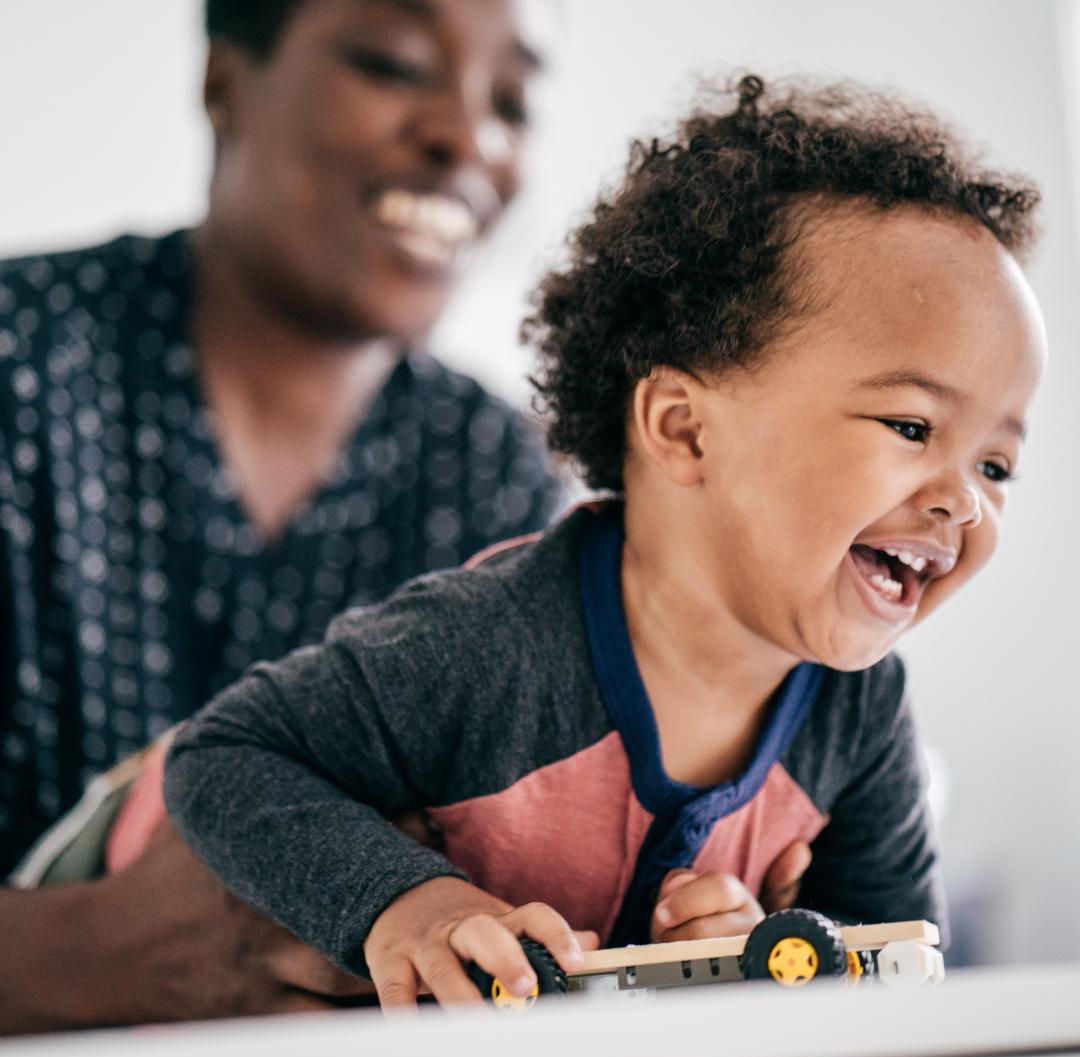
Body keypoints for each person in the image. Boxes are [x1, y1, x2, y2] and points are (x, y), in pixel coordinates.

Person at [162, 73, 1046, 1007]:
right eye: (912, 428)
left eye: (997, 467)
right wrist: (405, 902)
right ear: (684, 430)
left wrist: (766, 965)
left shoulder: (860, 719)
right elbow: (225, 757)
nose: (963, 503)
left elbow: (891, 992)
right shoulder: (485, 645)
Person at [0, 0, 566, 1032]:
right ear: (225, 86)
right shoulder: (18, 365)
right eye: (395, 63)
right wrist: (96, 958)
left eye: (513, 99)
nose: (468, 135)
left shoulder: (497, 474)